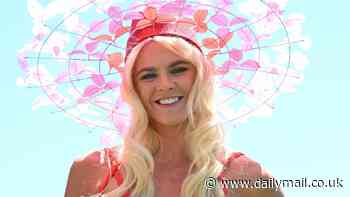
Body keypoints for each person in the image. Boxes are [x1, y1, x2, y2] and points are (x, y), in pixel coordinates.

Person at [64, 8, 284, 197]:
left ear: (200, 76)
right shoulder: (95, 171)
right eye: (148, 75)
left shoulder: (248, 177)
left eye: (178, 70)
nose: (165, 84)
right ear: (134, 88)